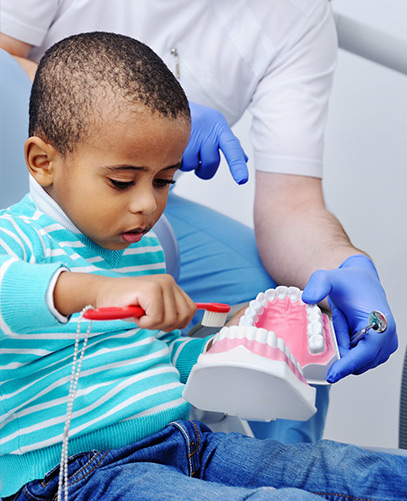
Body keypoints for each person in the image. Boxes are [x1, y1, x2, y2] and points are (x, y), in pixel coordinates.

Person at [0, 32, 406, 501]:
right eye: (122, 181)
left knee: (358, 472)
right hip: (76, 475)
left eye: (164, 181)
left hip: (180, 442)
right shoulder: (17, 237)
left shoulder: (143, 250)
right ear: (42, 162)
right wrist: (96, 291)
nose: (147, 204)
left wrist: (228, 343)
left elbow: (158, 360)